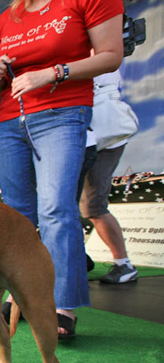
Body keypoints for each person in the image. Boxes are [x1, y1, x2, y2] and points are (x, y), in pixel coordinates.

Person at [0, 0, 124, 339]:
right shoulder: (7, 17)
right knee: (15, 215)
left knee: (55, 209)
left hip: (62, 113)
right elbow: (2, 84)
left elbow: (111, 55)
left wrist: (53, 73)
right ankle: (18, 295)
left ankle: (62, 305)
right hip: (8, 120)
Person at [80, 69, 138, 285]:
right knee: (61, 205)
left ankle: (123, 264)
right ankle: (76, 258)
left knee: (93, 206)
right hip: (80, 136)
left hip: (103, 137)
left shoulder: (102, 56)